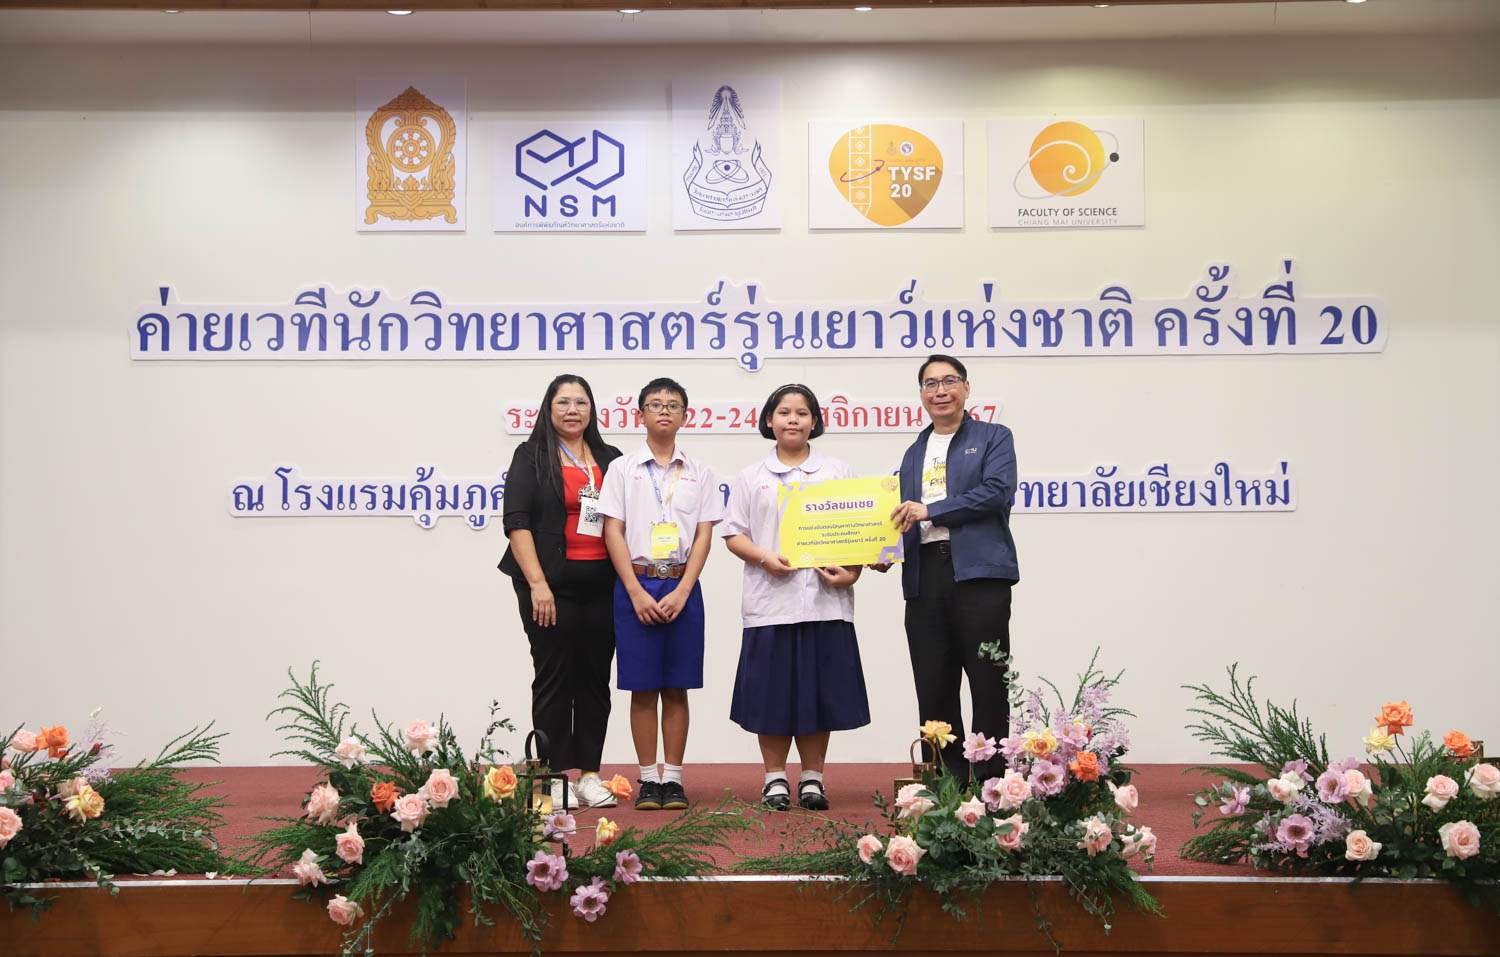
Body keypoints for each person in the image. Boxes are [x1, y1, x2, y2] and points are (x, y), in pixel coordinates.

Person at [720, 384, 870, 811]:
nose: (793, 419)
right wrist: (764, 557)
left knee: (818, 693)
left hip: (825, 601)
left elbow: (858, 532)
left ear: (814, 421)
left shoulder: (837, 471)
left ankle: (812, 779)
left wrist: (852, 572)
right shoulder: (751, 476)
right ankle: (773, 779)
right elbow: (733, 533)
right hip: (770, 603)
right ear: (769, 420)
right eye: (784, 412)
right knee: (771, 694)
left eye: (802, 413)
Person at [889, 355, 1019, 787]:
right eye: (930, 384)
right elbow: (903, 516)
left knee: (987, 681)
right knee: (933, 683)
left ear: (966, 388)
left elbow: (996, 492)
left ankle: (992, 783)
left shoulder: (994, 437)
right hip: (925, 575)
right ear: (921, 394)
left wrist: (931, 510)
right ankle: (946, 783)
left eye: (949, 381)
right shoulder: (914, 452)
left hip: (978, 575)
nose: (940, 391)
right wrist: (883, 551)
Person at [498, 374, 624, 809]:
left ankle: (588, 775)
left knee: (595, 680)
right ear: (548, 409)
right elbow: (517, 522)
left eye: (581, 402)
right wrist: (538, 584)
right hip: (548, 586)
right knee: (554, 678)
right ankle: (550, 777)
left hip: (602, 585)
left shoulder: (610, 458)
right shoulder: (531, 455)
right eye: (564, 402)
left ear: (592, 410)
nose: (573, 410)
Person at [598, 377, 723, 812]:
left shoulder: (700, 472)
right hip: (636, 584)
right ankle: (648, 779)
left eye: (673, 405)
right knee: (642, 687)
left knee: (676, 687)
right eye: (655, 404)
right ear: (641, 415)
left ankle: (673, 779)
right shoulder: (622, 469)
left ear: (685, 416)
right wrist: (634, 591)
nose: (664, 410)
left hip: (682, 586)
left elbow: (704, 535)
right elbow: (612, 531)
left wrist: (685, 588)